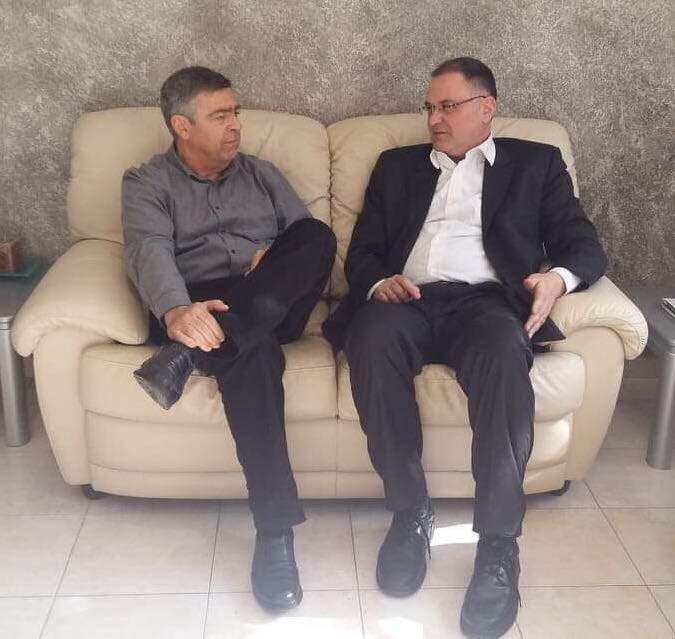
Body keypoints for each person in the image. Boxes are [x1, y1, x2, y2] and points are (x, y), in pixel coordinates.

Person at [323, 57, 606, 638]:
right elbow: (364, 251)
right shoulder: (397, 167)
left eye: (447, 106)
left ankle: (498, 546)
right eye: (430, 107)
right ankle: (410, 513)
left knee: (505, 351)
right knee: (370, 339)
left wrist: (556, 280)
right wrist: (379, 283)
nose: (434, 118)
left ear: (486, 108)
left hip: (486, 304)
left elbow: (583, 244)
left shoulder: (536, 163)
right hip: (407, 300)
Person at [122, 66, 336, 611]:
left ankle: (183, 357)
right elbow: (149, 249)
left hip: (268, 297)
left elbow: (305, 246)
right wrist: (175, 310)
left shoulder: (262, 174)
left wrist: (272, 261)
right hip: (194, 304)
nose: (236, 124)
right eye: (220, 115)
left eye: (236, 112)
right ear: (182, 126)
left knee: (315, 234)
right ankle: (275, 533)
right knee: (254, 351)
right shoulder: (146, 182)